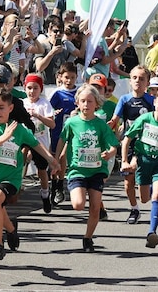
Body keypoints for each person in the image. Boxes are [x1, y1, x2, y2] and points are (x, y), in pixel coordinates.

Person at [0, 88, 60, 261]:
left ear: (10, 108)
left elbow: (35, 144)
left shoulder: (18, 128)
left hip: (10, 177)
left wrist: (52, 160)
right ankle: (11, 229)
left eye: (1, 107)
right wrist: (4, 138)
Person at [56, 84, 119, 252]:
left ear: (96, 104)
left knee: (94, 207)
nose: (86, 105)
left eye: (89, 101)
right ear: (77, 102)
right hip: (77, 170)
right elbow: (62, 140)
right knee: (78, 205)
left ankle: (88, 238)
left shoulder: (101, 124)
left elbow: (113, 145)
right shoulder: (72, 123)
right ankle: (80, 195)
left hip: (97, 170)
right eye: (83, 101)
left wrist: (110, 153)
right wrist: (56, 160)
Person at [120, 86, 158, 248]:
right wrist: (125, 160)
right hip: (143, 162)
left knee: (157, 195)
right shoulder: (144, 119)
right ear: (154, 102)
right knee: (145, 198)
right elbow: (127, 139)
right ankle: (151, 187)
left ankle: (152, 232)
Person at [109, 65, 155, 224]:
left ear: (147, 83)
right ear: (130, 80)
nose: (138, 81)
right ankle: (134, 210)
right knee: (128, 182)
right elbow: (115, 119)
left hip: (146, 145)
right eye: (134, 78)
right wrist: (109, 125)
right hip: (128, 143)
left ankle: (147, 186)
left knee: (145, 198)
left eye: (142, 79)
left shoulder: (151, 101)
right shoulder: (124, 99)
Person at [22, 73, 56, 214]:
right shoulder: (22, 103)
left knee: (42, 170)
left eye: (35, 88)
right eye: (29, 88)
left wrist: (38, 116)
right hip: (25, 139)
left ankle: (45, 193)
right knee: (22, 158)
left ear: (40, 89)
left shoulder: (44, 103)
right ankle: (18, 184)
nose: (32, 91)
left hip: (40, 142)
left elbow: (52, 124)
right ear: (25, 88)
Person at [49, 62, 79, 204]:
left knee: (62, 158)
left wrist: (77, 113)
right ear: (60, 77)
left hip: (72, 134)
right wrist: (53, 113)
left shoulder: (79, 93)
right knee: (55, 158)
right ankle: (54, 186)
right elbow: (49, 110)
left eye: (72, 77)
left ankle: (60, 186)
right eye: (66, 77)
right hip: (57, 131)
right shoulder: (57, 94)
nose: (69, 81)